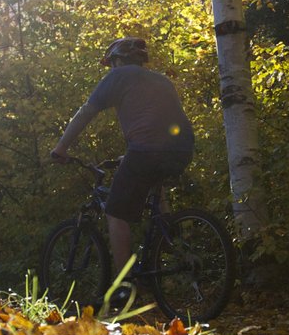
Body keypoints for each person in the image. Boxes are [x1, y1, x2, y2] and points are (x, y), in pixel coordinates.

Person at [49, 37, 195, 277]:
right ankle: (173, 250)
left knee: (115, 212)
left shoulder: (117, 76)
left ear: (117, 60)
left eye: (112, 63)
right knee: (156, 195)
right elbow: (160, 121)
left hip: (146, 151)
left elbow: (86, 112)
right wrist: (131, 154)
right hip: (182, 149)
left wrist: (61, 148)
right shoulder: (162, 80)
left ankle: (123, 283)